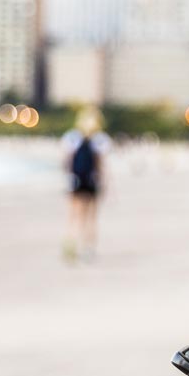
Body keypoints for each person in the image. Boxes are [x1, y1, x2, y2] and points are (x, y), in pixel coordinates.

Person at [59, 107, 111, 264]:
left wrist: (68, 178)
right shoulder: (100, 139)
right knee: (91, 216)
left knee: (73, 215)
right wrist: (106, 184)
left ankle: (70, 244)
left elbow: (65, 161)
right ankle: (88, 248)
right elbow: (101, 165)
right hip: (91, 182)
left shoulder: (72, 137)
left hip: (75, 181)